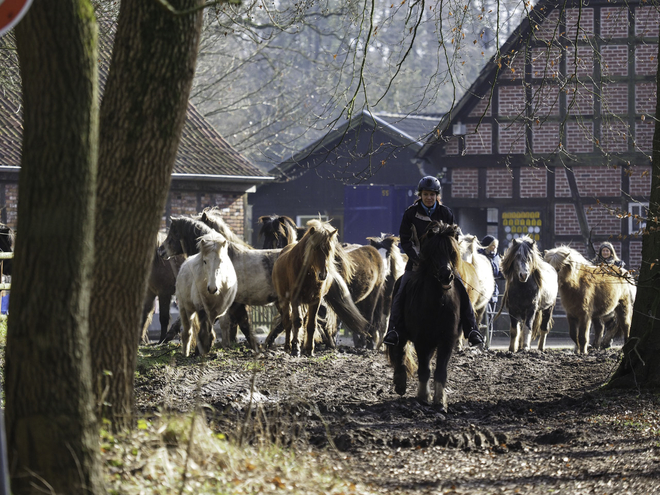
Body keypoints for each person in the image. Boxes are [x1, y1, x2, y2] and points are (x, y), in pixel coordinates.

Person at [382, 176, 484, 347]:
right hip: (418, 262)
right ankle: (393, 330)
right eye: (425, 194)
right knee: (400, 289)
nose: (429, 197)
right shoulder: (410, 214)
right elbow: (406, 240)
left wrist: (448, 258)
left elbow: (454, 238)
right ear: (420, 195)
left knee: (461, 288)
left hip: (443, 262)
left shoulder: (446, 213)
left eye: (432, 194)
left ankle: (472, 329)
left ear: (437, 195)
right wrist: (417, 258)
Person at [478, 235, 502, 330]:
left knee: (490, 317)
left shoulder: (497, 257)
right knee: (481, 316)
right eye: (492, 245)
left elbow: (498, 273)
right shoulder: (479, 256)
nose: (495, 248)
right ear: (486, 246)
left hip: (493, 291)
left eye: (496, 245)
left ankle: (487, 340)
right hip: (481, 289)